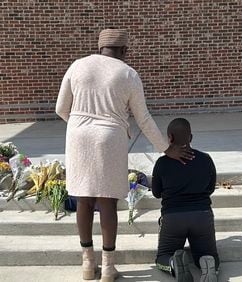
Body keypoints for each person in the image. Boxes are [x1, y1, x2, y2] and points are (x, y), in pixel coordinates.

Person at [56, 29, 193, 281]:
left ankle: (87, 264)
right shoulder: (128, 73)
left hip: (77, 136)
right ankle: (108, 267)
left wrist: (80, 126)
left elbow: (60, 108)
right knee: (108, 202)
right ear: (124, 51)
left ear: (99, 48)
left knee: (84, 199)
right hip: (110, 137)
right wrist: (166, 148)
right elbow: (143, 118)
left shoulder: (77, 66)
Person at [152, 118, 219, 282]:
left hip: (173, 218)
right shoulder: (206, 159)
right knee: (208, 254)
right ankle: (206, 264)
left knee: (162, 256)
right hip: (202, 216)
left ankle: (173, 263)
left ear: (170, 138)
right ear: (191, 137)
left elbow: (156, 193)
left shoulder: (161, 163)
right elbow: (210, 189)